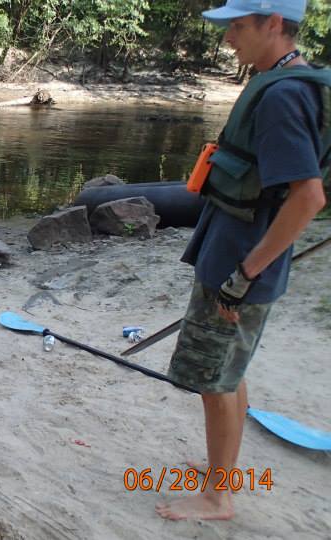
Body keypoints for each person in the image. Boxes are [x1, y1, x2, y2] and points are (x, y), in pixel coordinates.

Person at [156, 0, 329, 521]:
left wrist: (245, 274)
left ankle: (217, 497)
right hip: (236, 257)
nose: (228, 38)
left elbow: (308, 197)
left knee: (216, 381)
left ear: (273, 24)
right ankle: (220, 473)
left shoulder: (284, 97)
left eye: (236, 26)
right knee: (229, 371)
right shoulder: (285, 79)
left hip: (241, 266)